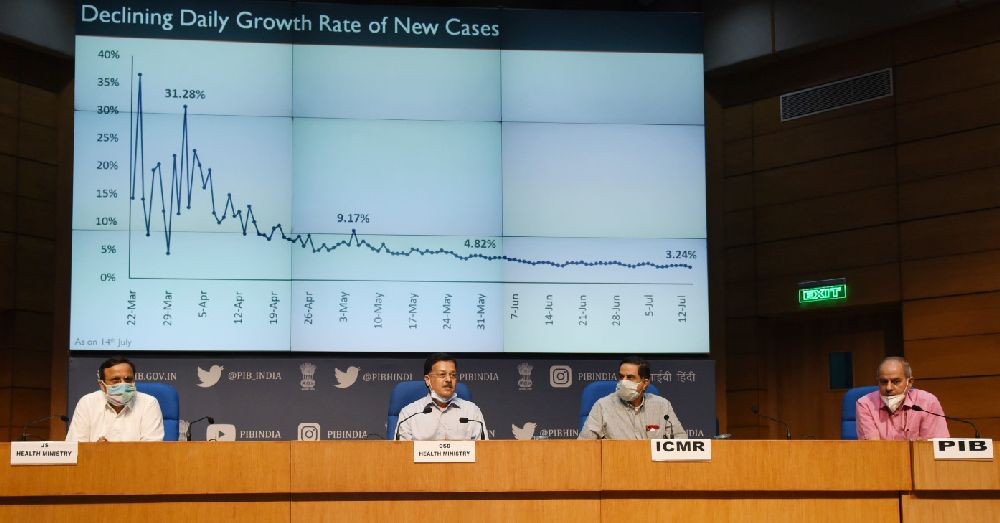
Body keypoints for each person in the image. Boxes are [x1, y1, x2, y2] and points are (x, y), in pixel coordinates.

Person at [579, 356, 687, 440]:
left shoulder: (662, 406)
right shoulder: (603, 406)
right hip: (616, 465)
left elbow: (680, 440)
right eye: (621, 377)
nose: (623, 382)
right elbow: (585, 445)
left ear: (645, 383)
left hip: (653, 466)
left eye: (630, 377)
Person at [66, 356, 164, 442]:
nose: (123, 384)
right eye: (115, 380)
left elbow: (151, 450)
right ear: (102, 386)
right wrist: (95, 451)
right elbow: (75, 448)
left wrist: (112, 453)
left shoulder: (149, 403)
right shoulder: (87, 403)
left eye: (128, 379)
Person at [395, 353, 488, 441]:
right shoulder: (409, 414)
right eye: (442, 375)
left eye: (453, 375)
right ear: (428, 380)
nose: (448, 379)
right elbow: (400, 453)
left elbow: (484, 452)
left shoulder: (472, 412)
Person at [855, 356, 949, 440]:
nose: (888, 388)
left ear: (910, 382)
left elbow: (934, 447)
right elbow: (874, 449)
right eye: (883, 382)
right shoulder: (865, 404)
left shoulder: (928, 402)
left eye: (896, 381)